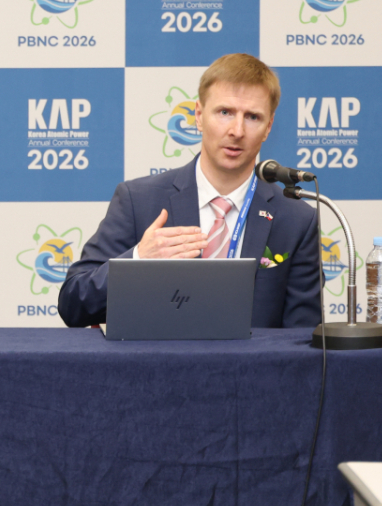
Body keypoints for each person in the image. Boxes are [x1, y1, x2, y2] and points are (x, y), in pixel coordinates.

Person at [58, 53, 321, 329]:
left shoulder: (296, 221)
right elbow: (73, 304)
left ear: (268, 127)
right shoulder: (138, 201)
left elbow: (301, 339)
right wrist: (139, 260)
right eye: (225, 112)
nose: (237, 130)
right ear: (199, 115)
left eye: (253, 117)